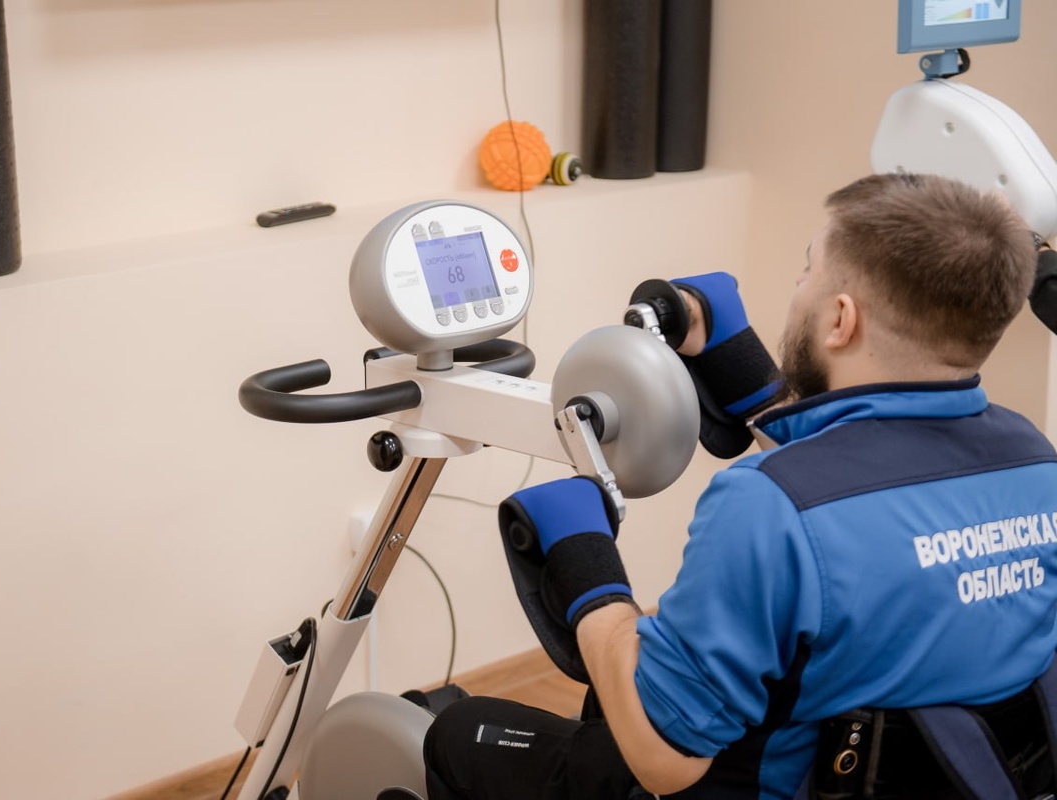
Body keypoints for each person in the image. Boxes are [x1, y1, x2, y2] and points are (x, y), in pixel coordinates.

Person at [423, 172, 1057, 799]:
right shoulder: (1033, 461)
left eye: (807, 272)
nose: (799, 288)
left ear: (841, 320)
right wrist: (740, 367)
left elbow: (662, 760)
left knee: (459, 732)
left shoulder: (766, 506)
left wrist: (584, 565)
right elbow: (861, 484)